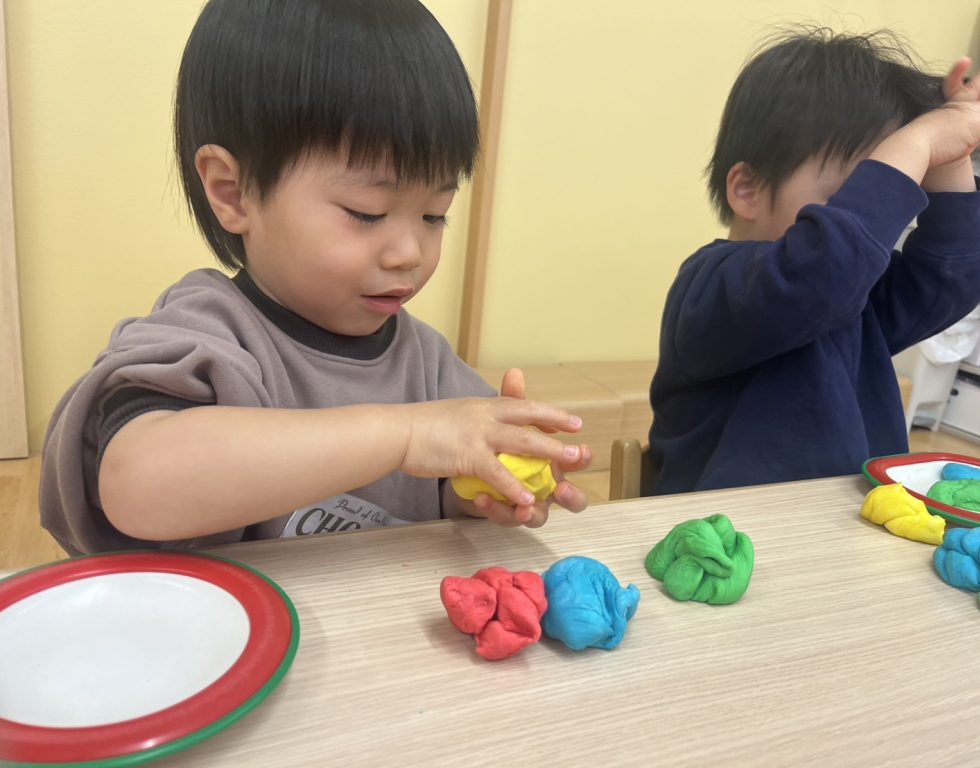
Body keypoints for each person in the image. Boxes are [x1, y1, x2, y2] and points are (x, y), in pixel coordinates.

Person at [40, 0, 591, 556]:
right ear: (233, 192)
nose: (409, 253)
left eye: (434, 215)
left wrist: (479, 492)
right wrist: (404, 434)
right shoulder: (209, 333)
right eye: (366, 213)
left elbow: (436, 496)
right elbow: (138, 483)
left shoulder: (425, 362)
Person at [649, 28, 980, 495]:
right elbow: (823, 272)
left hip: (847, 524)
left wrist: (950, 157)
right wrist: (919, 141)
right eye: (855, 195)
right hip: (725, 533)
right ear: (748, 190)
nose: (874, 216)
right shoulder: (711, 285)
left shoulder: (853, 292)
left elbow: (951, 278)